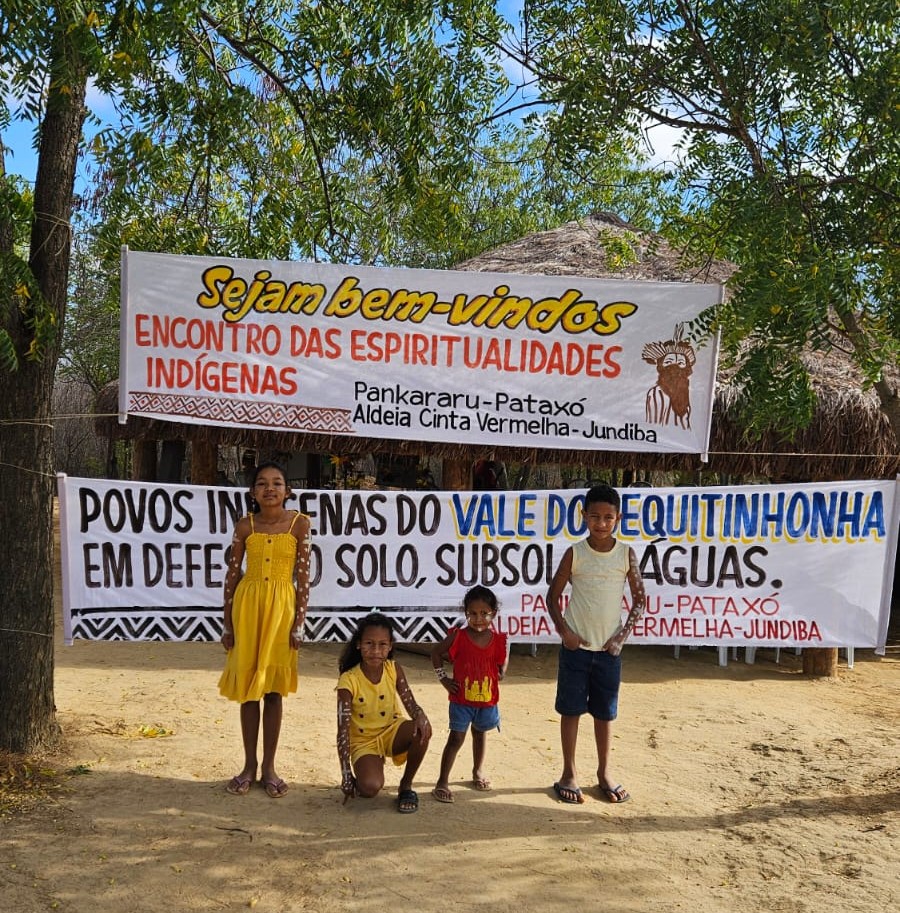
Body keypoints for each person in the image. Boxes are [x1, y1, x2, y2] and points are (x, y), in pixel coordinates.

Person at [546, 483, 645, 805]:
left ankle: (604, 773)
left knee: (605, 714)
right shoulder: (575, 553)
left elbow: (640, 600)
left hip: (608, 653)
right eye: (594, 517)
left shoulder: (626, 554)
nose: (601, 523)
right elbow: (552, 597)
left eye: (608, 517)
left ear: (618, 518)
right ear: (583, 516)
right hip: (575, 651)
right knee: (570, 711)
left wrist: (620, 638)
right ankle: (569, 773)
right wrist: (565, 633)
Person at [218, 461, 311, 798]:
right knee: (248, 690)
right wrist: (227, 623)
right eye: (262, 483)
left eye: (277, 483)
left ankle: (269, 767)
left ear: (287, 490)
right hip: (248, 609)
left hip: (282, 612)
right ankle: (249, 765)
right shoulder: (245, 525)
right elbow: (232, 576)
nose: (269, 489)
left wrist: (299, 624)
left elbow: (303, 577)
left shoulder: (300, 524)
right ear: (252, 492)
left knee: (273, 691)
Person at [336, 612, 432, 813]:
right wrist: (346, 774)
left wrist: (420, 714)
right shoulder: (348, 680)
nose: (376, 651)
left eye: (382, 645)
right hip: (364, 742)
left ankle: (406, 786)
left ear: (390, 647)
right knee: (369, 788)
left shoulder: (393, 669)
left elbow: (410, 704)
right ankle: (371, 765)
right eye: (369, 643)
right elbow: (343, 730)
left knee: (423, 729)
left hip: (392, 731)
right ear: (358, 645)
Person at [430, 585, 508, 803]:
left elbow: (503, 657)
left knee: (480, 733)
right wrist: (444, 679)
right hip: (461, 701)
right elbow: (436, 653)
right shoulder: (458, 636)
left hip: (486, 701)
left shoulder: (497, 639)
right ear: (465, 613)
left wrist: (502, 670)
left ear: (494, 613)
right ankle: (442, 782)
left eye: (484, 613)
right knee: (456, 738)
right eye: (472, 613)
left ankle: (477, 771)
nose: (478, 619)